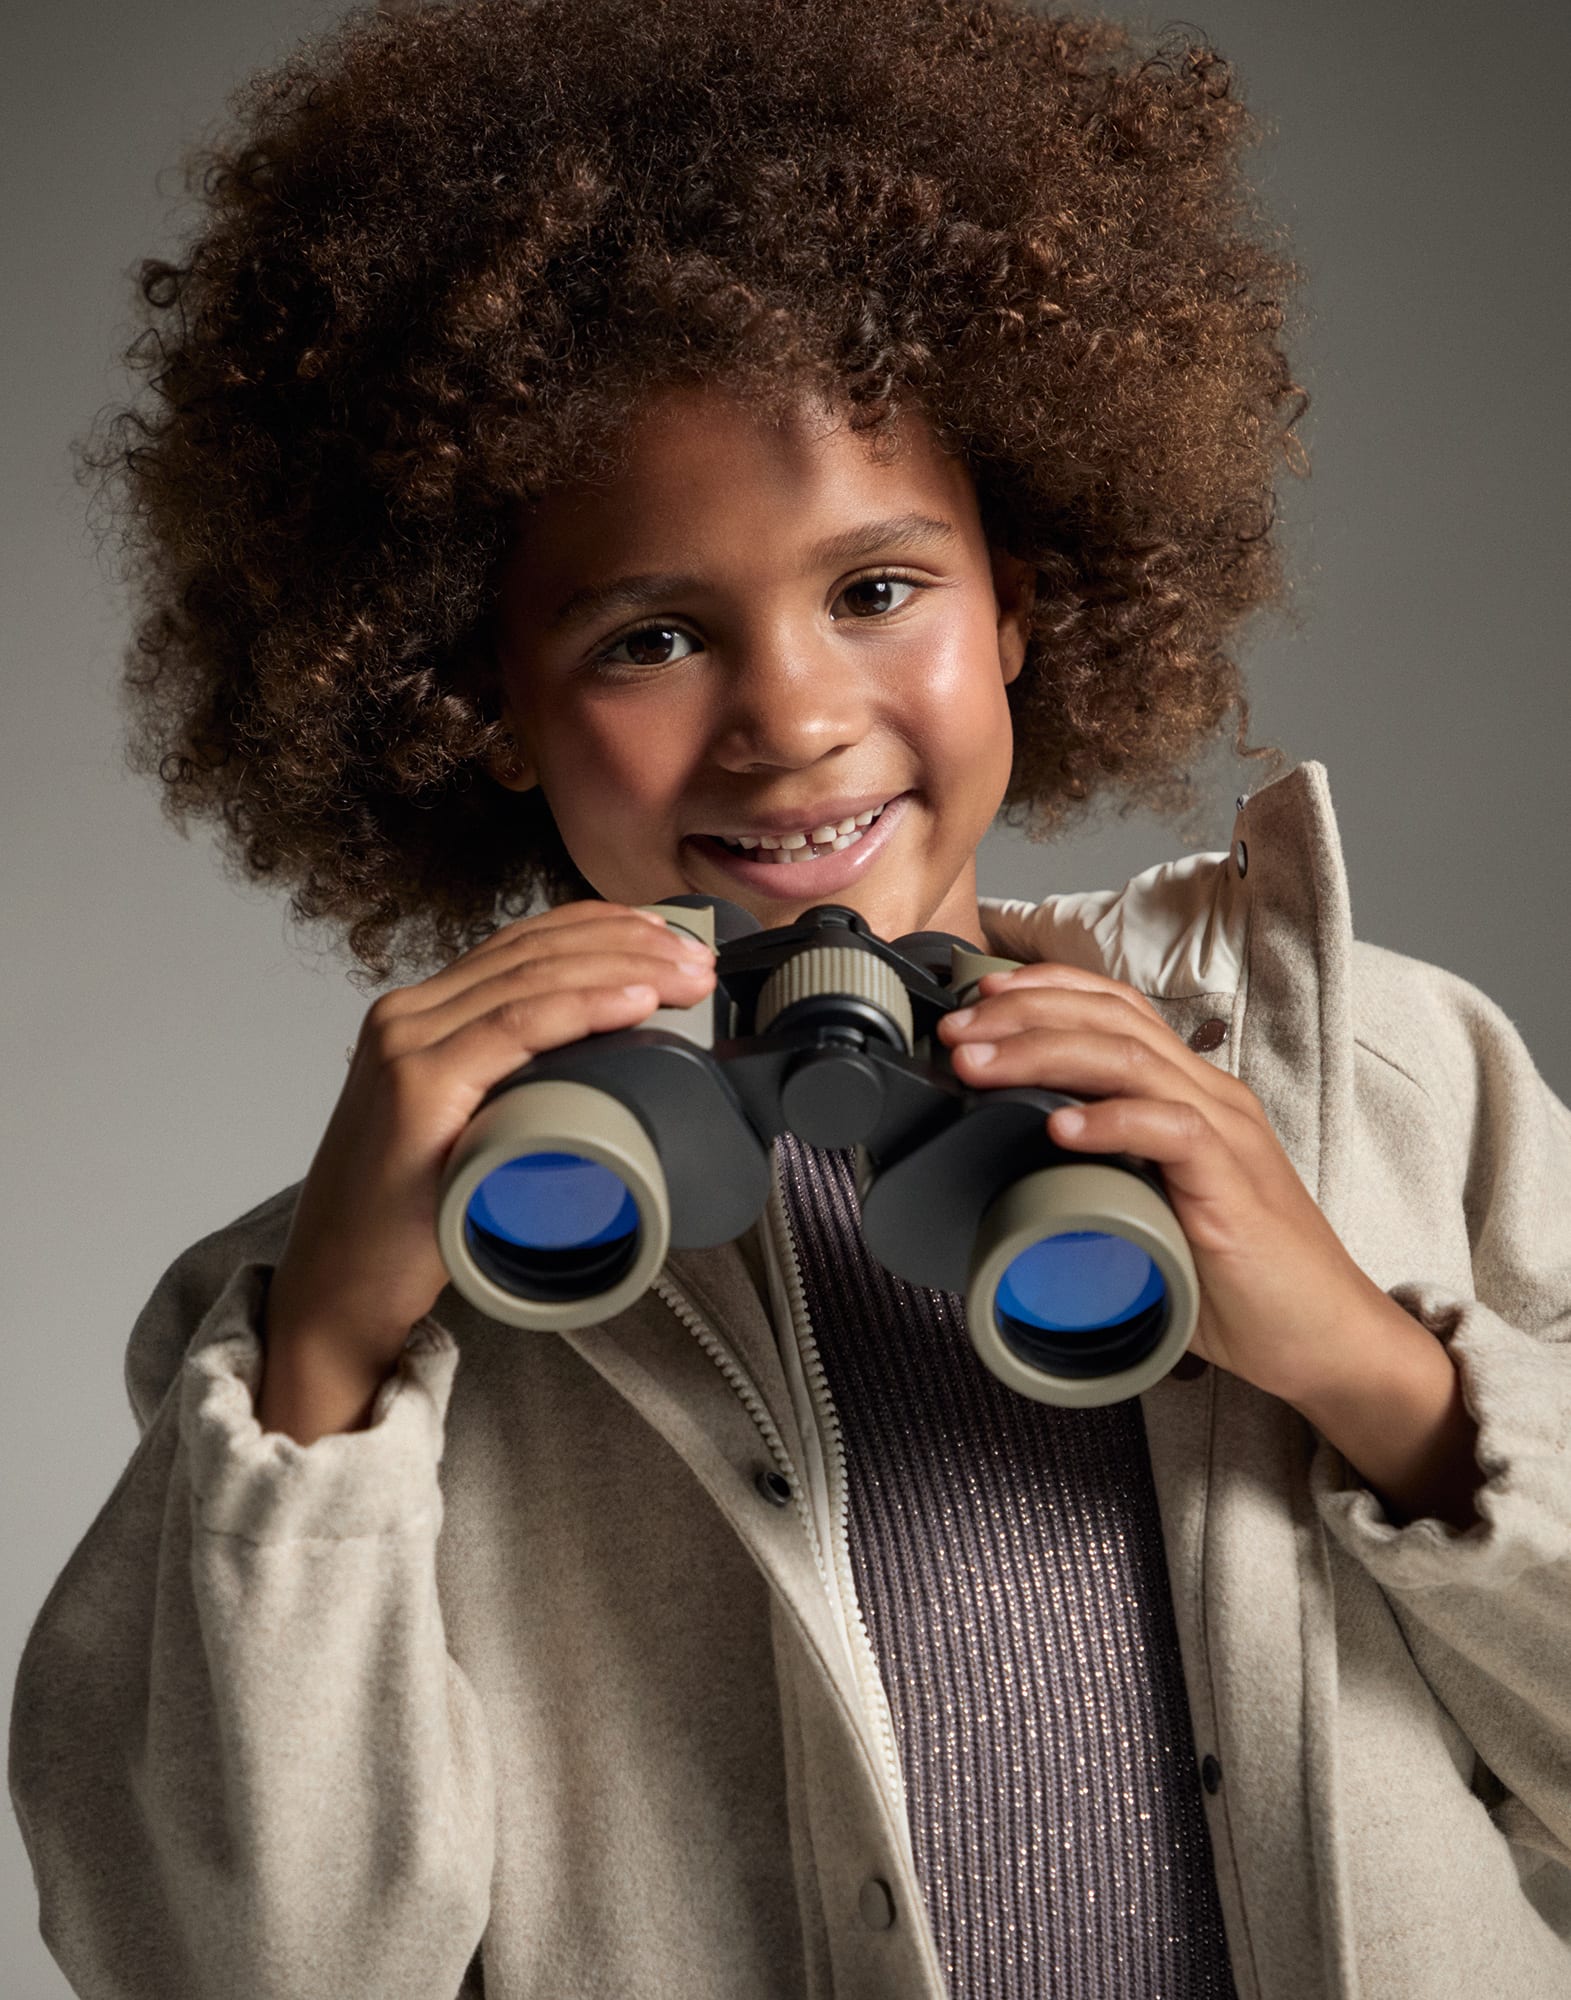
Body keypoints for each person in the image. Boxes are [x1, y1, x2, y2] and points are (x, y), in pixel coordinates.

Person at [10, 1, 1570, 1995]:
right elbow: (233, 1960)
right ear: (472, 699)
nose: (795, 721)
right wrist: (328, 1361)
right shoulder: (354, 1298)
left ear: (1028, 589)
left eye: (878, 588)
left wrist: (1378, 1370)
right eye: (651, 633)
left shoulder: (1382, 1081)